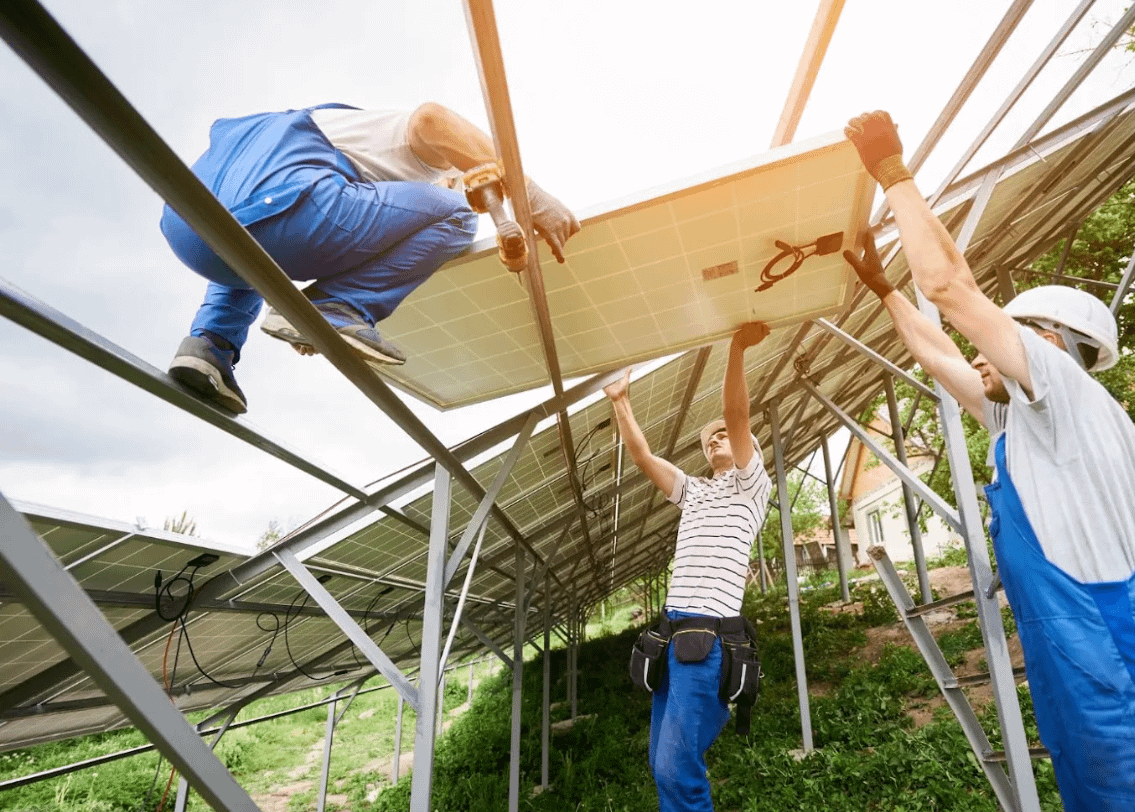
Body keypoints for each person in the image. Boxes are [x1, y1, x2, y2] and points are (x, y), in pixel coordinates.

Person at [842, 109, 1135, 811]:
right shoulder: (1023, 419)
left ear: (1048, 341)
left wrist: (891, 173)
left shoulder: (1062, 391)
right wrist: (883, 290)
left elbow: (952, 289)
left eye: (1004, 335)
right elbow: (938, 353)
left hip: (1131, 673)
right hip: (1083, 668)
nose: (983, 351)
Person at [161, 102, 580, 413]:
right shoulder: (408, 153)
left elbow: (250, 217)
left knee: (246, 242)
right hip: (286, 213)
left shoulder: (316, 137)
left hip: (187, 228)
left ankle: (209, 347)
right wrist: (528, 191)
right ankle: (339, 307)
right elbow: (432, 119)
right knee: (455, 219)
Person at [604, 321, 772, 812]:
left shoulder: (749, 488)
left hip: (709, 642)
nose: (717, 440)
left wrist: (736, 349)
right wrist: (620, 401)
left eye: (725, 438)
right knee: (662, 760)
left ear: (750, 455)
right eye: (709, 441)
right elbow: (642, 455)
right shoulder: (694, 492)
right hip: (672, 638)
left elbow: (736, 414)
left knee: (677, 768)